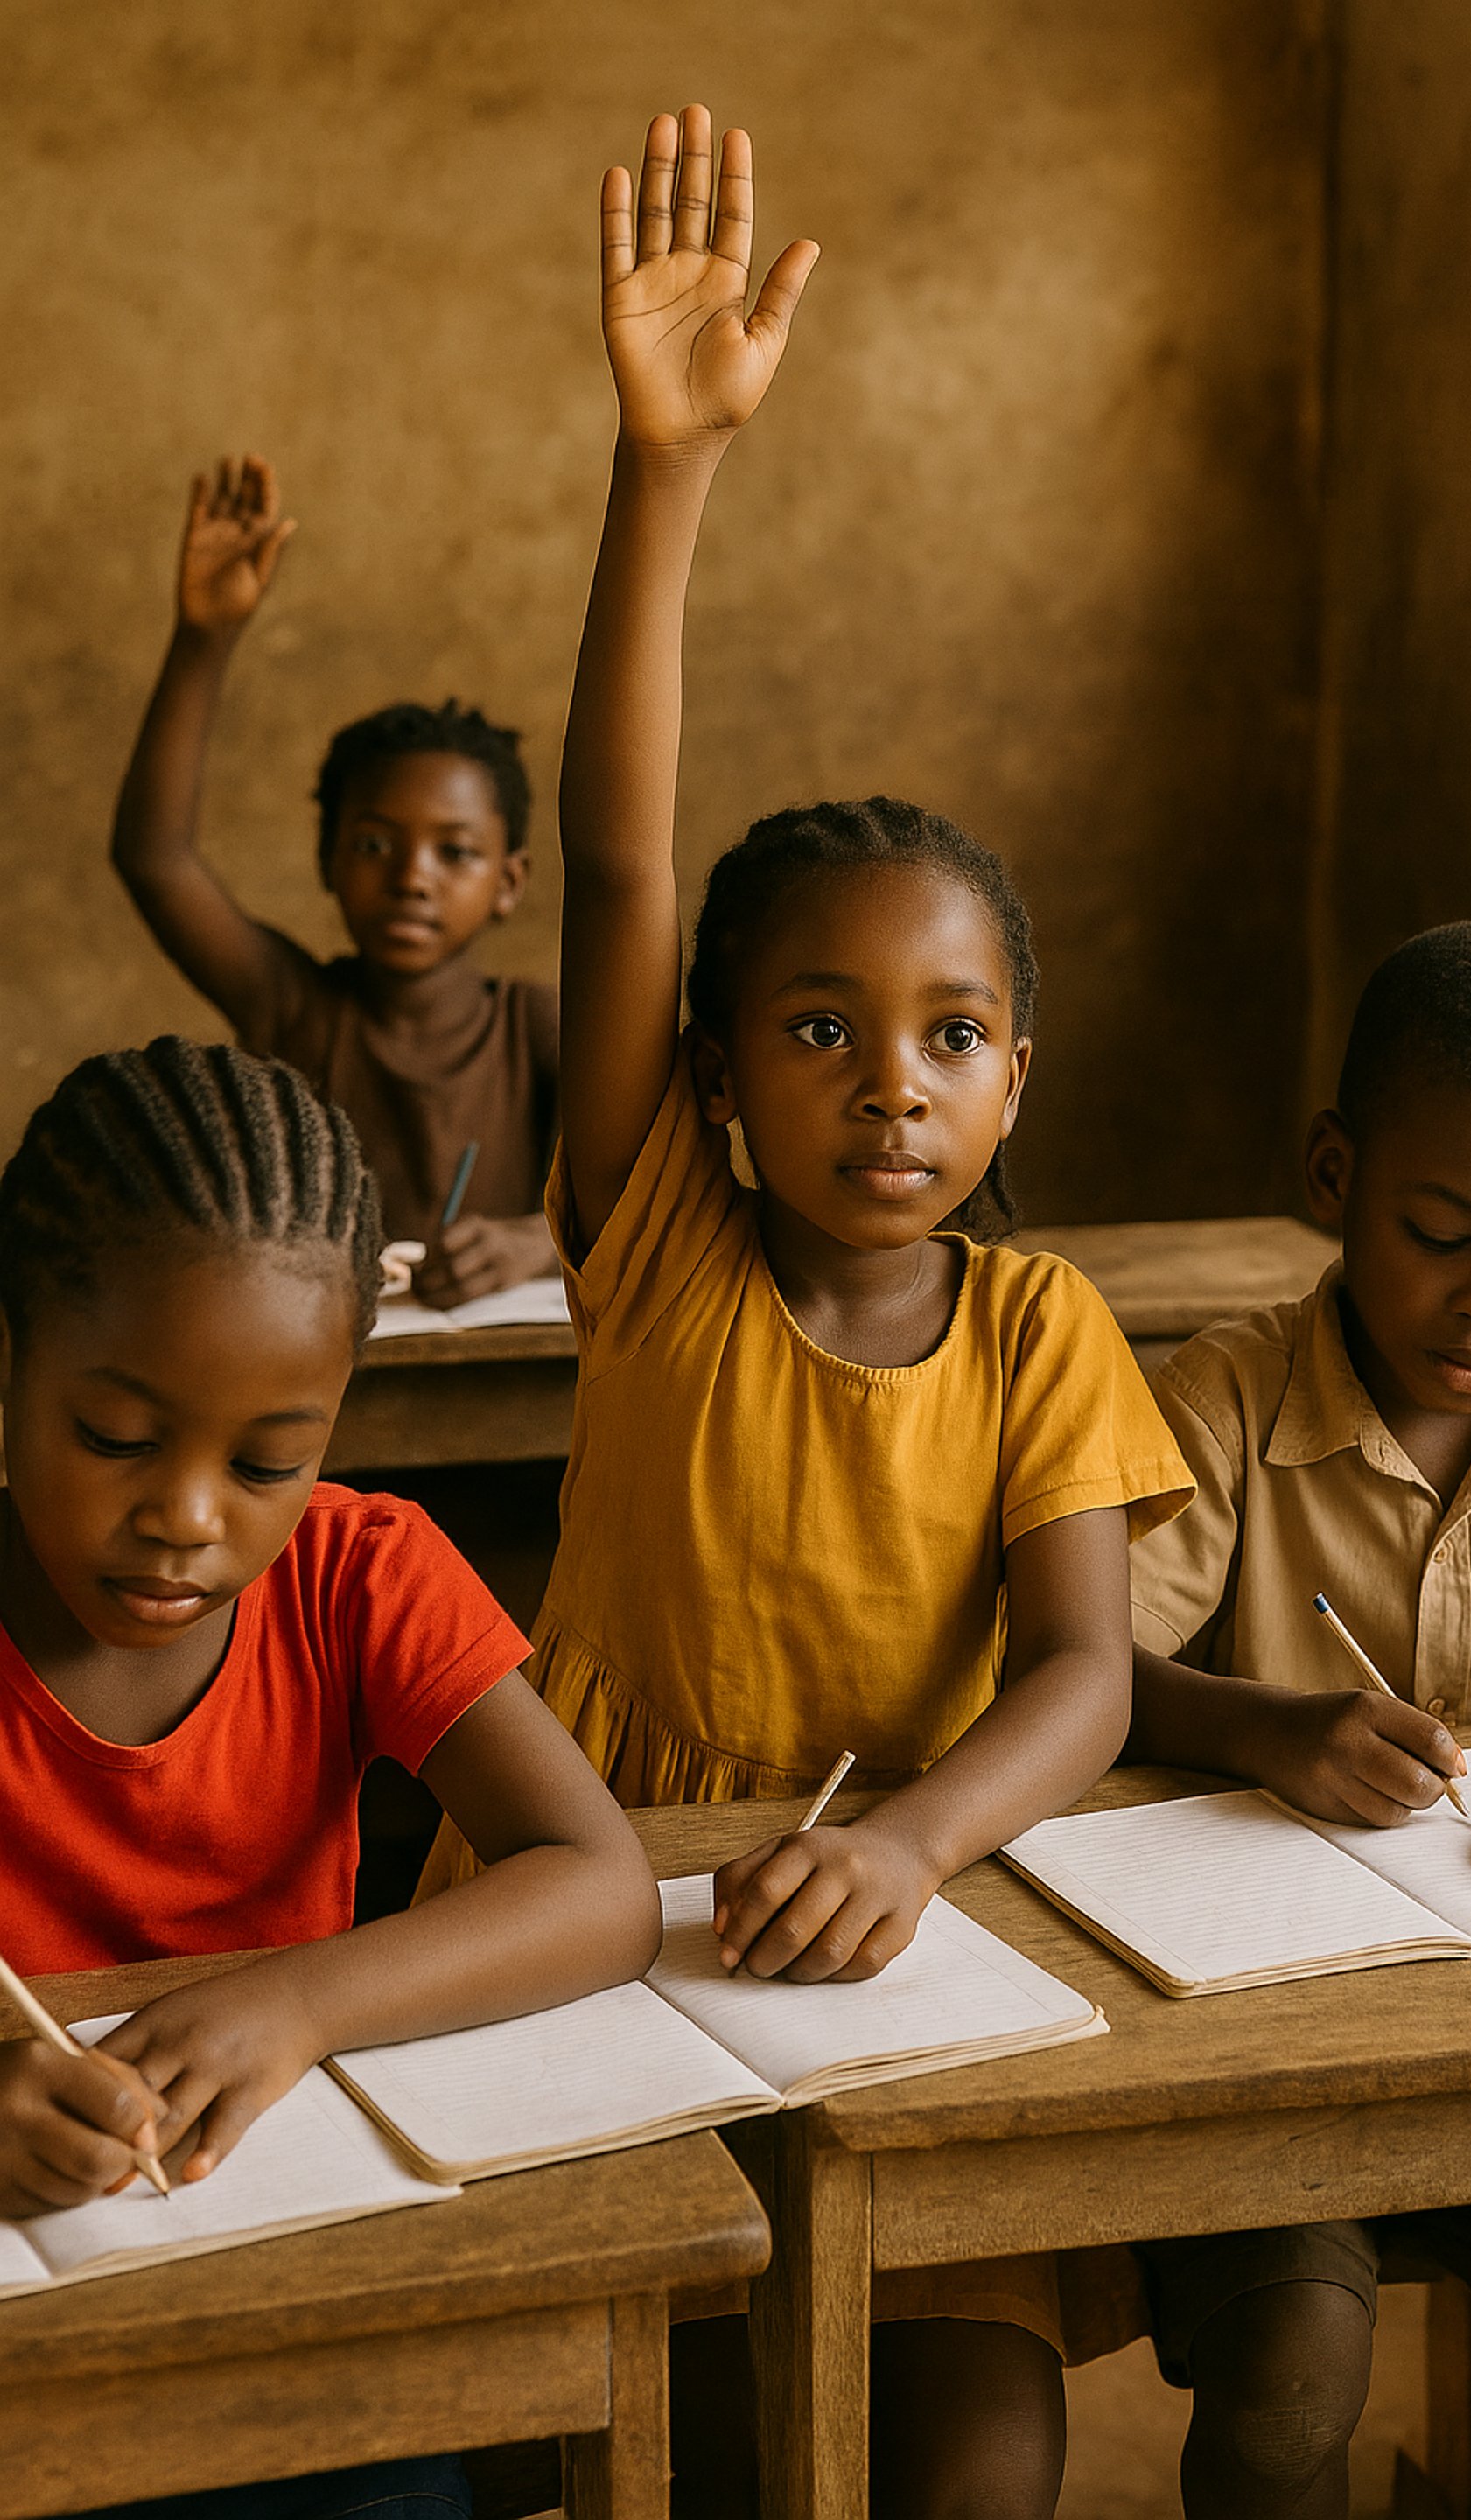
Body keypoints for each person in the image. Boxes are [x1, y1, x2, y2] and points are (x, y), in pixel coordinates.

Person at [420, 104, 1191, 2520]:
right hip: (595, 1907)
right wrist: (670, 473)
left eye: (952, 1035)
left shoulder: (1041, 1326)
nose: (890, 1082)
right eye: (818, 1028)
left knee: (968, 2471)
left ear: (1018, 1082)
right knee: (601, 2442)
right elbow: (630, 837)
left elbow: (1084, 1669)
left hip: (898, 1928)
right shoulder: (654, 1239)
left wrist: (926, 1850)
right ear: (714, 1081)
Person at [0, 1033, 662, 2520]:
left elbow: (602, 1886)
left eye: (267, 1462)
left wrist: (300, 1998)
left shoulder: (359, 1578)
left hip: (298, 2282)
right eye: (115, 1437)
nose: (184, 1518)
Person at [1124, 920, 1471, 2520]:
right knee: (1288, 2402)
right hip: (1276, 2044)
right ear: (1334, 1174)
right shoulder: (1220, 1399)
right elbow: (1089, 1674)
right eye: (1439, 1231)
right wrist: (1265, 1731)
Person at [109, 464, 557, 1306]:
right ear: (327, 862)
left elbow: (658, 1189)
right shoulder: (296, 1009)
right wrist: (204, 639)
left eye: (454, 853)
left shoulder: (536, 1032)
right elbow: (155, 858)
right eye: (374, 843)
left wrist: (538, 1241)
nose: (412, 877)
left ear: (510, 882)